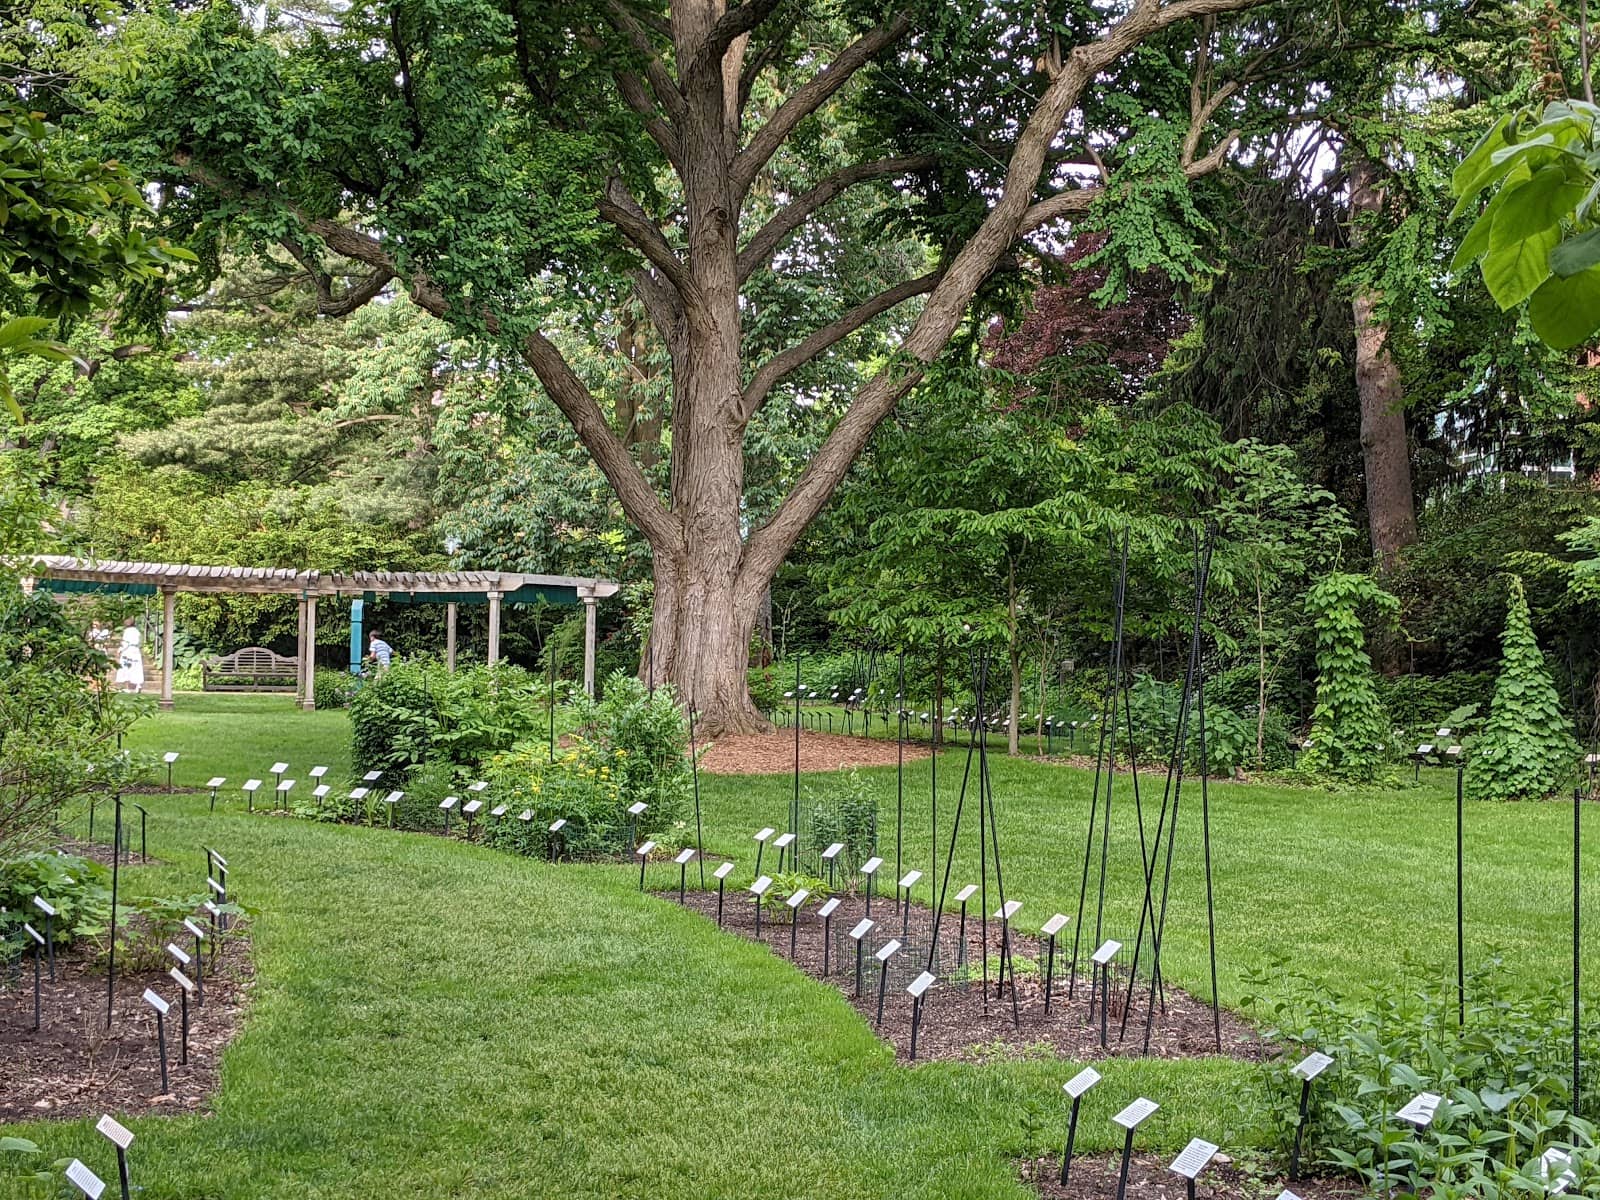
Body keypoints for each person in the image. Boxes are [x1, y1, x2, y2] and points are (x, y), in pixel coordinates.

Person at [115, 618, 145, 693]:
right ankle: (138, 685)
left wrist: (120, 650)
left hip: (128, 651)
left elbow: (125, 643)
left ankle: (127, 687)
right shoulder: (137, 631)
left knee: (126, 667)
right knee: (137, 667)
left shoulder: (127, 631)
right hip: (136, 650)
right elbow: (140, 642)